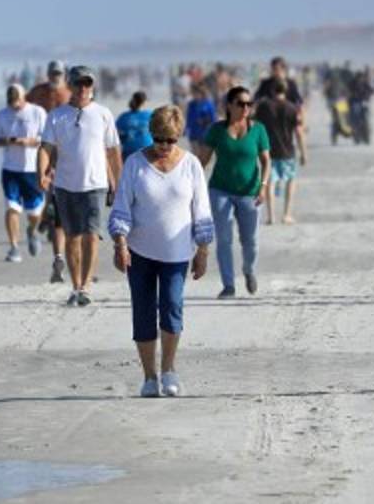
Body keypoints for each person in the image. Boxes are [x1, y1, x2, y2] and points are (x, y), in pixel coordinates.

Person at [109, 106, 212, 398]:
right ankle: (149, 377)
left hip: (177, 254)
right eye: (158, 139)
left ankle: (168, 370)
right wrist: (120, 244)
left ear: (179, 136)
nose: (164, 145)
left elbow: (201, 209)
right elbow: (122, 206)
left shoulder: (191, 164)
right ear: (151, 134)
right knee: (143, 313)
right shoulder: (135, 164)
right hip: (139, 252)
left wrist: (203, 250)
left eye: (170, 140)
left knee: (172, 308)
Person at [38, 65, 123, 306]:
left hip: (96, 185)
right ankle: (75, 286)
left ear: (92, 86)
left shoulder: (103, 114)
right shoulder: (57, 115)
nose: (83, 88)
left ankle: (86, 286)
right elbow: (46, 148)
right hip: (65, 185)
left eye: (88, 83)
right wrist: (41, 172)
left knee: (92, 236)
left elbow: (113, 151)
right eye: (79, 83)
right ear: (70, 85)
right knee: (72, 237)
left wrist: (119, 182)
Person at [196, 86, 271, 298]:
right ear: (229, 105)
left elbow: (266, 161)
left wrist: (263, 186)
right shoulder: (217, 130)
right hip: (220, 190)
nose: (246, 108)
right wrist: (191, 185)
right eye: (241, 103)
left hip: (250, 192)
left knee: (251, 241)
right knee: (224, 239)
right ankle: (228, 284)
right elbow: (202, 160)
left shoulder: (258, 130)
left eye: (249, 104)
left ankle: (248, 269)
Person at [26, 60, 73, 283]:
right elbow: (24, 109)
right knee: (46, 193)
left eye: (58, 73)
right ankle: (45, 221)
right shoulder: (38, 92)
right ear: (48, 73)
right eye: (52, 73)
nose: (55, 76)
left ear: (64, 75)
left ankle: (47, 221)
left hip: (63, 151)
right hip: (41, 149)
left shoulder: (70, 93)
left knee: (55, 198)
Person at [0, 84, 48, 262]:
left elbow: (47, 139)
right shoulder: (2, 115)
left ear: (24, 97)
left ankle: (32, 230)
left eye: (17, 102)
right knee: (12, 208)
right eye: (11, 103)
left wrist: (29, 141)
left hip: (33, 169)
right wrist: (8, 141)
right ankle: (13, 247)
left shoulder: (37, 112)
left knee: (35, 213)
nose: (14, 106)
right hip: (10, 170)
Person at [253, 80, 306, 225]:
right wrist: (303, 153)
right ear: (286, 91)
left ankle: (271, 216)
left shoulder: (264, 106)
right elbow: (299, 132)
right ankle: (286, 214)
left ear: (272, 90)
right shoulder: (292, 108)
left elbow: (254, 124)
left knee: (270, 182)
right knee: (290, 181)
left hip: (269, 151)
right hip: (287, 151)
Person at [116, 91, 153, 160]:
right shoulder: (150, 115)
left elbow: (117, 135)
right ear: (144, 102)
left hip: (129, 152)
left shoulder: (123, 117)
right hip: (146, 153)